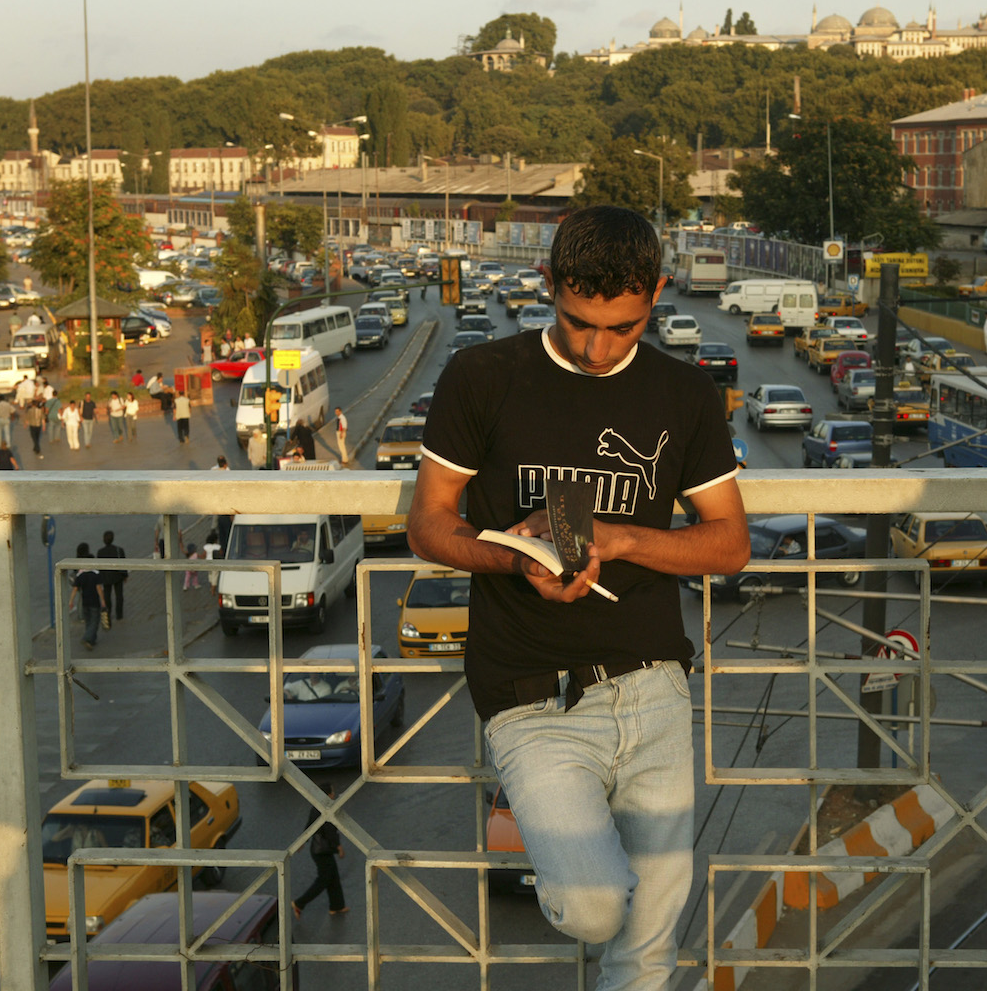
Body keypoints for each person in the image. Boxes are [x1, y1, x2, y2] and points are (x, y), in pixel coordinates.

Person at [407, 205, 748, 988]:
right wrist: (513, 558)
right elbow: (428, 524)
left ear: (657, 294)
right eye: (578, 323)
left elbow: (729, 545)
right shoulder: (483, 375)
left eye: (623, 328)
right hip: (531, 699)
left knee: (649, 951)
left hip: (653, 682)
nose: (598, 349)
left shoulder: (686, 393)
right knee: (595, 908)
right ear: (547, 284)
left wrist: (621, 540)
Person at [293, 782, 348, 917]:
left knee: (333, 877)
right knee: (324, 880)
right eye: (332, 792)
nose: (334, 794)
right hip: (323, 851)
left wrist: (303, 841)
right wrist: (338, 846)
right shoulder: (325, 810)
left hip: (319, 850)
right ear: (327, 795)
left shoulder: (316, 808)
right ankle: (300, 903)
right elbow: (330, 831)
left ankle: (337, 906)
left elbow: (309, 826)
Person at [70, 542, 107, 650]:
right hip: (94, 602)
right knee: (94, 622)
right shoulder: (96, 574)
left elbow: (75, 588)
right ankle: (87, 638)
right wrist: (103, 600)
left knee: (88, 621)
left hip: (85, 602)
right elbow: (99, 588)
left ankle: (92, 640)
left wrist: (71, 601)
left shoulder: (80, 575)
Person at [97, 530, 126, 622]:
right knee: (119, 596)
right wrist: (125, 575)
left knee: (107, 596)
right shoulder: (119, 550)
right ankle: (119, 615)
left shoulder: (100, 552)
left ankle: (108, 613)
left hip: (106, 577)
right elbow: (123, 564)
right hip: (117, 576)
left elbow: (99, 567)